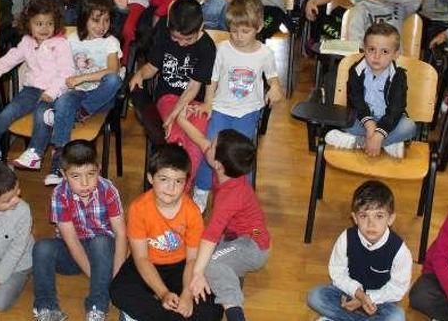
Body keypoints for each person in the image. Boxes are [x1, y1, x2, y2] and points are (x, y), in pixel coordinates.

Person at [185, 0, 282, 210]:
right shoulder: (222, 49)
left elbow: (274, 80)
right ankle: (202, 190)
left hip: (248, 112)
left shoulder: (265, 54)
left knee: (240, 155)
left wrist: (275, 89)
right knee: (211, 149)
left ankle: (239, 198)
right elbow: (213, 78)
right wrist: (208, 103)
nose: (238, 37)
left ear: (258, 27)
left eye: (245, 31)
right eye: (234, 30)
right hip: (220, 109)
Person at [109, 144, 224, 321]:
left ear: (186, 183)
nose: (171, 188)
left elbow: (192, 259)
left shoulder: (192, 212)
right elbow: (141, 258)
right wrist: (163, 293)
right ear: (150, 178)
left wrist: (186, 293)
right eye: (164, 179)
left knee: (213, 307)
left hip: (181, 266)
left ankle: (156, 315)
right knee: (118, 290)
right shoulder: (138, 209)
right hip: (148, 263)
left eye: (178, 181)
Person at [32, 140, 127, 321]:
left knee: (101, 241)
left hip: (103, 252)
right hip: (73, 252)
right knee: (41, 248)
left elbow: (121, 234)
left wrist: (116, 277)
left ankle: (97, 307)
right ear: (64, 175)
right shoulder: (59, 194)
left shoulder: (108, 190)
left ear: (98, 170)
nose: (85, 183)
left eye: (90, 174)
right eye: (75, 176)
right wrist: (98, 277)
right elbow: (71, 241)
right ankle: (46, 307)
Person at [129, 0, 217, 186]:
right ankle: (170, 186)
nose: (182, 44)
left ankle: (182, 187)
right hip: (168, 97)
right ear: (169, 25)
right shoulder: (164, 36)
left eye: (188, 39)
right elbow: (152, 67)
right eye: (177, 38)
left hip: (193, 100)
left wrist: (173, 116)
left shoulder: (207, 47)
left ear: (201, 26)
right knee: (175, 135)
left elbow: (193, 87)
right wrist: (140, 74)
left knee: (197, 130)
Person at [40, 0, 123, 187]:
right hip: (77, 92)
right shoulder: (71, 39)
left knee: (113, 80)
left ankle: (78, 113)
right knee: (65, 101)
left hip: (101, 97)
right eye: (96, 20)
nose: (102, 26)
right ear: (84, 18)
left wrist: (81, 77)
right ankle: (57, 164)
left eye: (106, 20)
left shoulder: (110, 41)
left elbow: (112, 70)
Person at [187, 130, 270, 321]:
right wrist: (179, 116)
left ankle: (235, 313)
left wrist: (198, 273)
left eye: (213, 145)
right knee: (198, 253)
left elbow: (211, 235)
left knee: (209, 264)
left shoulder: (230, 195)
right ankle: (231, 272)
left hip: (254, 244)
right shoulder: (229, 171)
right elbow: (201, 141)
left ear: (217, 165)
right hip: (244, 235)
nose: (209, 144)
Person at [0, 0, 73, 171]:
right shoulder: (27, 42)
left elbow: (66, 73)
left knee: (42, 115)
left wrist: (52, 93)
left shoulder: (60, 44)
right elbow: (12, 58)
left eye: (49, 23)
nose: (44, 28)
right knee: (8, 111)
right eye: (39, 24)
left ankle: (34, 153)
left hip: (55, 93)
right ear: (28, 24)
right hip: (31, 90)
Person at [307, 180, 412, 321]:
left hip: (379, 301)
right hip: (347, 293)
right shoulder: (346, 238)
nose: (371, 223)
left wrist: (367, 299)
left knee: (397, 317)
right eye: (364, 216)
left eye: (379, 216)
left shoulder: (400, 251)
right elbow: (337, 273)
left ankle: (338, 318)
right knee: (315, 296)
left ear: (391, 219)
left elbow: (397, 289)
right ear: (355, 218)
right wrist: (357, 294)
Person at [324, 23, 417, 158]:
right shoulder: (355, 70)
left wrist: (379, 133)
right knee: (339, 118)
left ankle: (357, 142)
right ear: (364, 49)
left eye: (384, 51)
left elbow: (396, 108)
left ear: (395, 54)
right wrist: (368, 123)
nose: (376, 56)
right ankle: (389, 144)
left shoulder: (398, 76)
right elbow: (355, 101)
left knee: (409, 126)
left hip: (389, 121)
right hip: (361, 119)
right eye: (371, 49)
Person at [0, 159, 33, 312]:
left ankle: (26, 274)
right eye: (7, 200)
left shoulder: (23, 211)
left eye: (17, 191)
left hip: (18, 264)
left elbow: (16, 249)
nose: (17, 200)